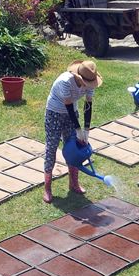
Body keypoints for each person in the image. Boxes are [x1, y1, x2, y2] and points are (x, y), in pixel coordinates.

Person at [43, 60, 103, 204]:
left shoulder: (90, 80)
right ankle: (47, 187)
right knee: (51, 148)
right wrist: (78, 130)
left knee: (74, 148)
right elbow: (68, 107)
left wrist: (86, 130)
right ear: (79, 76)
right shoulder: (65, 81)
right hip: (54, 113)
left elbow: (88, 105)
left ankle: (73, 183)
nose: (88, 87)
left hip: (72, 113)